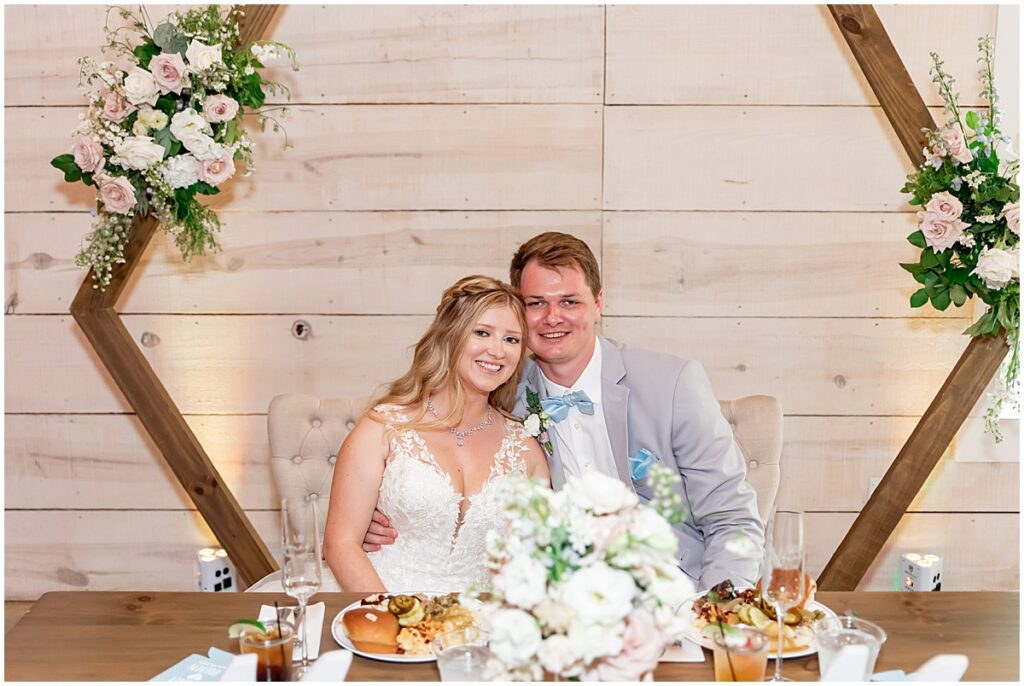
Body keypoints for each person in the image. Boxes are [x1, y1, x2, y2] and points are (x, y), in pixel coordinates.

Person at [364, 233, 764, 591]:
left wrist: (718, 610)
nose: (553, 317)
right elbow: (438, 454)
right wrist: (389, 517)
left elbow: (733, 518)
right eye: (536, 303)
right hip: (561, 597)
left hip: (676, 583)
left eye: (569, 302)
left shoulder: (673, 383)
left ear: (599, 303)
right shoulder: (500, 391)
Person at [323, 275, 549, 592]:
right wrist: (394, 627)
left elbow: (536, 561)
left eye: (511, 340)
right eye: (482, 333)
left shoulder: (526, 449)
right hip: (381, 605)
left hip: (478, 624)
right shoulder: (383, 428)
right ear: (450, 337)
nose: (497, 350)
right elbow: (340, 545)